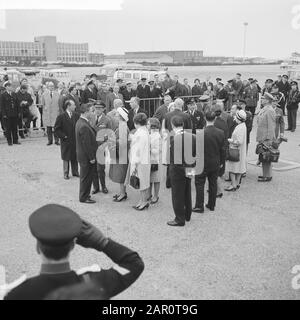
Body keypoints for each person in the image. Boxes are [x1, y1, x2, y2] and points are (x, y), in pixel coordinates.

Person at [4, 204, 144, 300]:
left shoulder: (18, 293)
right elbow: (134, 263)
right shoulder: (94, 284)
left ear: (37, 247)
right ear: (73, 245)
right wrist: (102, 242)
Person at [193, 111, 225, 213]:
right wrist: (221, 162)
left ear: (205, 119)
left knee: (199, 183)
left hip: (202, 162)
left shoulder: (200, 133)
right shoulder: (221, 133)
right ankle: (211, 204)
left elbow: (196, 150)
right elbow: (223, 149)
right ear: (214, 119)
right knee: (213, 183)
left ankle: (199, 206)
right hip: (215, 162)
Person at [167, 116, 196, 227]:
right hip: (189, 167)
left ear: (172, 125)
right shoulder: (192, 136)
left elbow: (174, 159)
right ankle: (187, 215)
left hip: (178, 170)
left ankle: (179, 219)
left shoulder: (174, 138)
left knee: (177, 195)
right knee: (187, 191)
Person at [126, 113, 151, 210]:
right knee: (142, 181)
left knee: (142, 182)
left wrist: (135, 162)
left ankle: (144, 202)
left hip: (140, 161)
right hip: (144, 160)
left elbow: (138, 149)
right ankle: (142, 200)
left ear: (136, 123)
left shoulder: (140, 133)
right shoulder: (144, 131)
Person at [75, 103, 98, 204]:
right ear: (86, 112)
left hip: (83, 155)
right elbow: (86, 144)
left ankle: (85, 195)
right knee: (86, 177)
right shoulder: (83, 125)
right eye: (91, 111)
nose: (92, 113)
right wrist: (91, 157)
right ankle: (84, 197)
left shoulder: (82, 122)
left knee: (86, 176)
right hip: (86, 157)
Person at [108, 107, 130, 202]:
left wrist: (113, 140)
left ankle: (122, 194)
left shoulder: (123, 126)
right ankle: (122, 192)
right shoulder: (121, 124)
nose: (115, 115)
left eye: (117, 114)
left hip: (121, 153)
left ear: (121, 116)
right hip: (120, 153)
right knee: (120, 173)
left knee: (121, 174)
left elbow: (123, 142)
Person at [54, 100, 80, 180]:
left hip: (75, 140)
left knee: (75, 156)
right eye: (73, 105)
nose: (75, 106)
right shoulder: (61, 116)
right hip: (66, 140)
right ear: (68, 106)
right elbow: (57, 129)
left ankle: (75, 172)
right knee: (66, 157)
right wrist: (63, 136)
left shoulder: (76, 115)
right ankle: (66, 173)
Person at [92, 101, 112, 194]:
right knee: (93, 168)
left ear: (104, 109)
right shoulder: (90, 118)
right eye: (96, 108)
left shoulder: (107, 120)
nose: (97, 110)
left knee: (100, 169)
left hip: (101, 148)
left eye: (99, 108)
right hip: (91, 147)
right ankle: (96, 187)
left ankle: (103, 186)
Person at [225, 109, 247, 191]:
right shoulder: (242, 126)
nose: (235, 119)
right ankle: (237, 183)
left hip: (235, 150)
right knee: (239, 168)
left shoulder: (240, 127)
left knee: (233, 168)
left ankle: (233, 185)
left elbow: (239, 142)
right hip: (240, 151)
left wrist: (230, 140)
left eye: (236, 118)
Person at [256, 93, 276, 182]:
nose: (262, 99)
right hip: (262, 136)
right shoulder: (264, 109)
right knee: (263, 156)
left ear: (268, 100)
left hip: (266, 138)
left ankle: (267, 176)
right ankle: (265, 174)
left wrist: (268, 139)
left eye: (263, 98)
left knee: (266, 157)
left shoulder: (270, 110)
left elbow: (271, 126)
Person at [147, 117, 162, 205]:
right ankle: (149, 194)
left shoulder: (157, 136)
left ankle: (155, 196)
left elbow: (157, 150)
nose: (147, 125)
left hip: (155, 160)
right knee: (150, 178)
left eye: (148, 124)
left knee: (156, 179)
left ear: (153, 126)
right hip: (150, 159)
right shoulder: (150, 134)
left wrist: (148, 149)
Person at [0, 81, 20, 146]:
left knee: (15, 128)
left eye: (10, 86)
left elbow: (17, 104)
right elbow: (2, 106)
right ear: (6, 87)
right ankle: (9, 141)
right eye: (8, 86)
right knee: (8, 128)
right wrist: (4, 114)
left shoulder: (14, 94)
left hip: (14, 113)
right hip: (7, 114)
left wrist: (19, 112)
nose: (10, 87)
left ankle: (15, 140)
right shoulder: (3, 95)